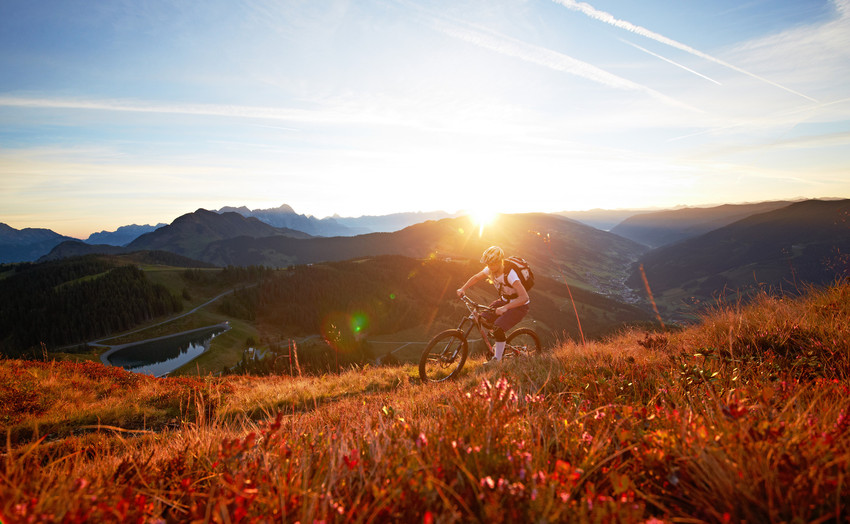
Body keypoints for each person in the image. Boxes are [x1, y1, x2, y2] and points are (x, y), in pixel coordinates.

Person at [456, 246, 530, 362]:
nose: (489, 267)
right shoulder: (491, 269)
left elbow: (524, 298)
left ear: (499, 262)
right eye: (488, 264)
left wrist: (505, 307)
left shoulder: (510, 275)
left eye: (492, 264)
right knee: (482, 319)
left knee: (498, 328)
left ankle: (497, 360)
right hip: (504, 301)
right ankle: (499, 342)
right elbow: (476, 277)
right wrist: (463, 288)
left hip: (519, 306)